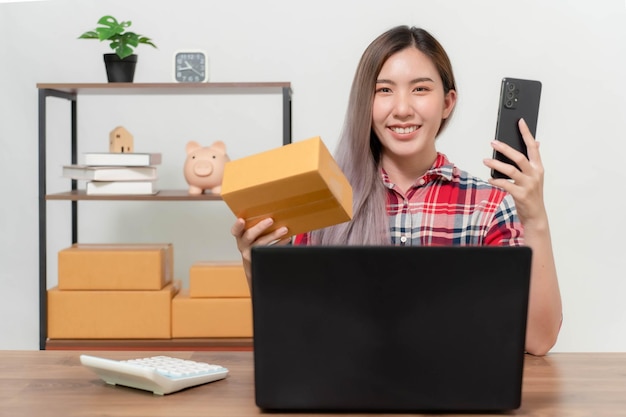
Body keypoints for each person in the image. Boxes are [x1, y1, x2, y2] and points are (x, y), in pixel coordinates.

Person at [231, 25, 562, 356]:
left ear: (447, 102)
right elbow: (292, 333)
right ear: (365, 102)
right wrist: (254, 263)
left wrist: (535, 219)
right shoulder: (325, 200)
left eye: (420, 89)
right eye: (384, 90)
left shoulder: (488, 206)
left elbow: (537, 340)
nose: (402, 108)